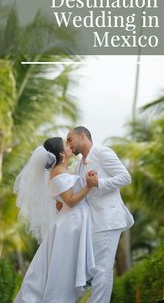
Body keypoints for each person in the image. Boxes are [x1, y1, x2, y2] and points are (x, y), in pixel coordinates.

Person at [13, 137, 97, 303]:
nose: (69, 145)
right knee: (62, 271)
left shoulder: (63, 170)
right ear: (61, 153)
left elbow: (63, 201)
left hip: (72, 221)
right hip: (69, 225)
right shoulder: (57, 172)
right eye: (66, 144)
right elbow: (71, 201)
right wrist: (89, 185)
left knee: (62, 269)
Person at [62, 126, 134, 303]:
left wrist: (98, 183)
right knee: (94, 270)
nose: (68, 144)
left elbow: (125, 177)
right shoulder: (78, 166)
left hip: (109, 220)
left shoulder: (102, 152)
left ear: (83, 136)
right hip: (93, 223)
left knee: (102, 269)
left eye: (70, 139)